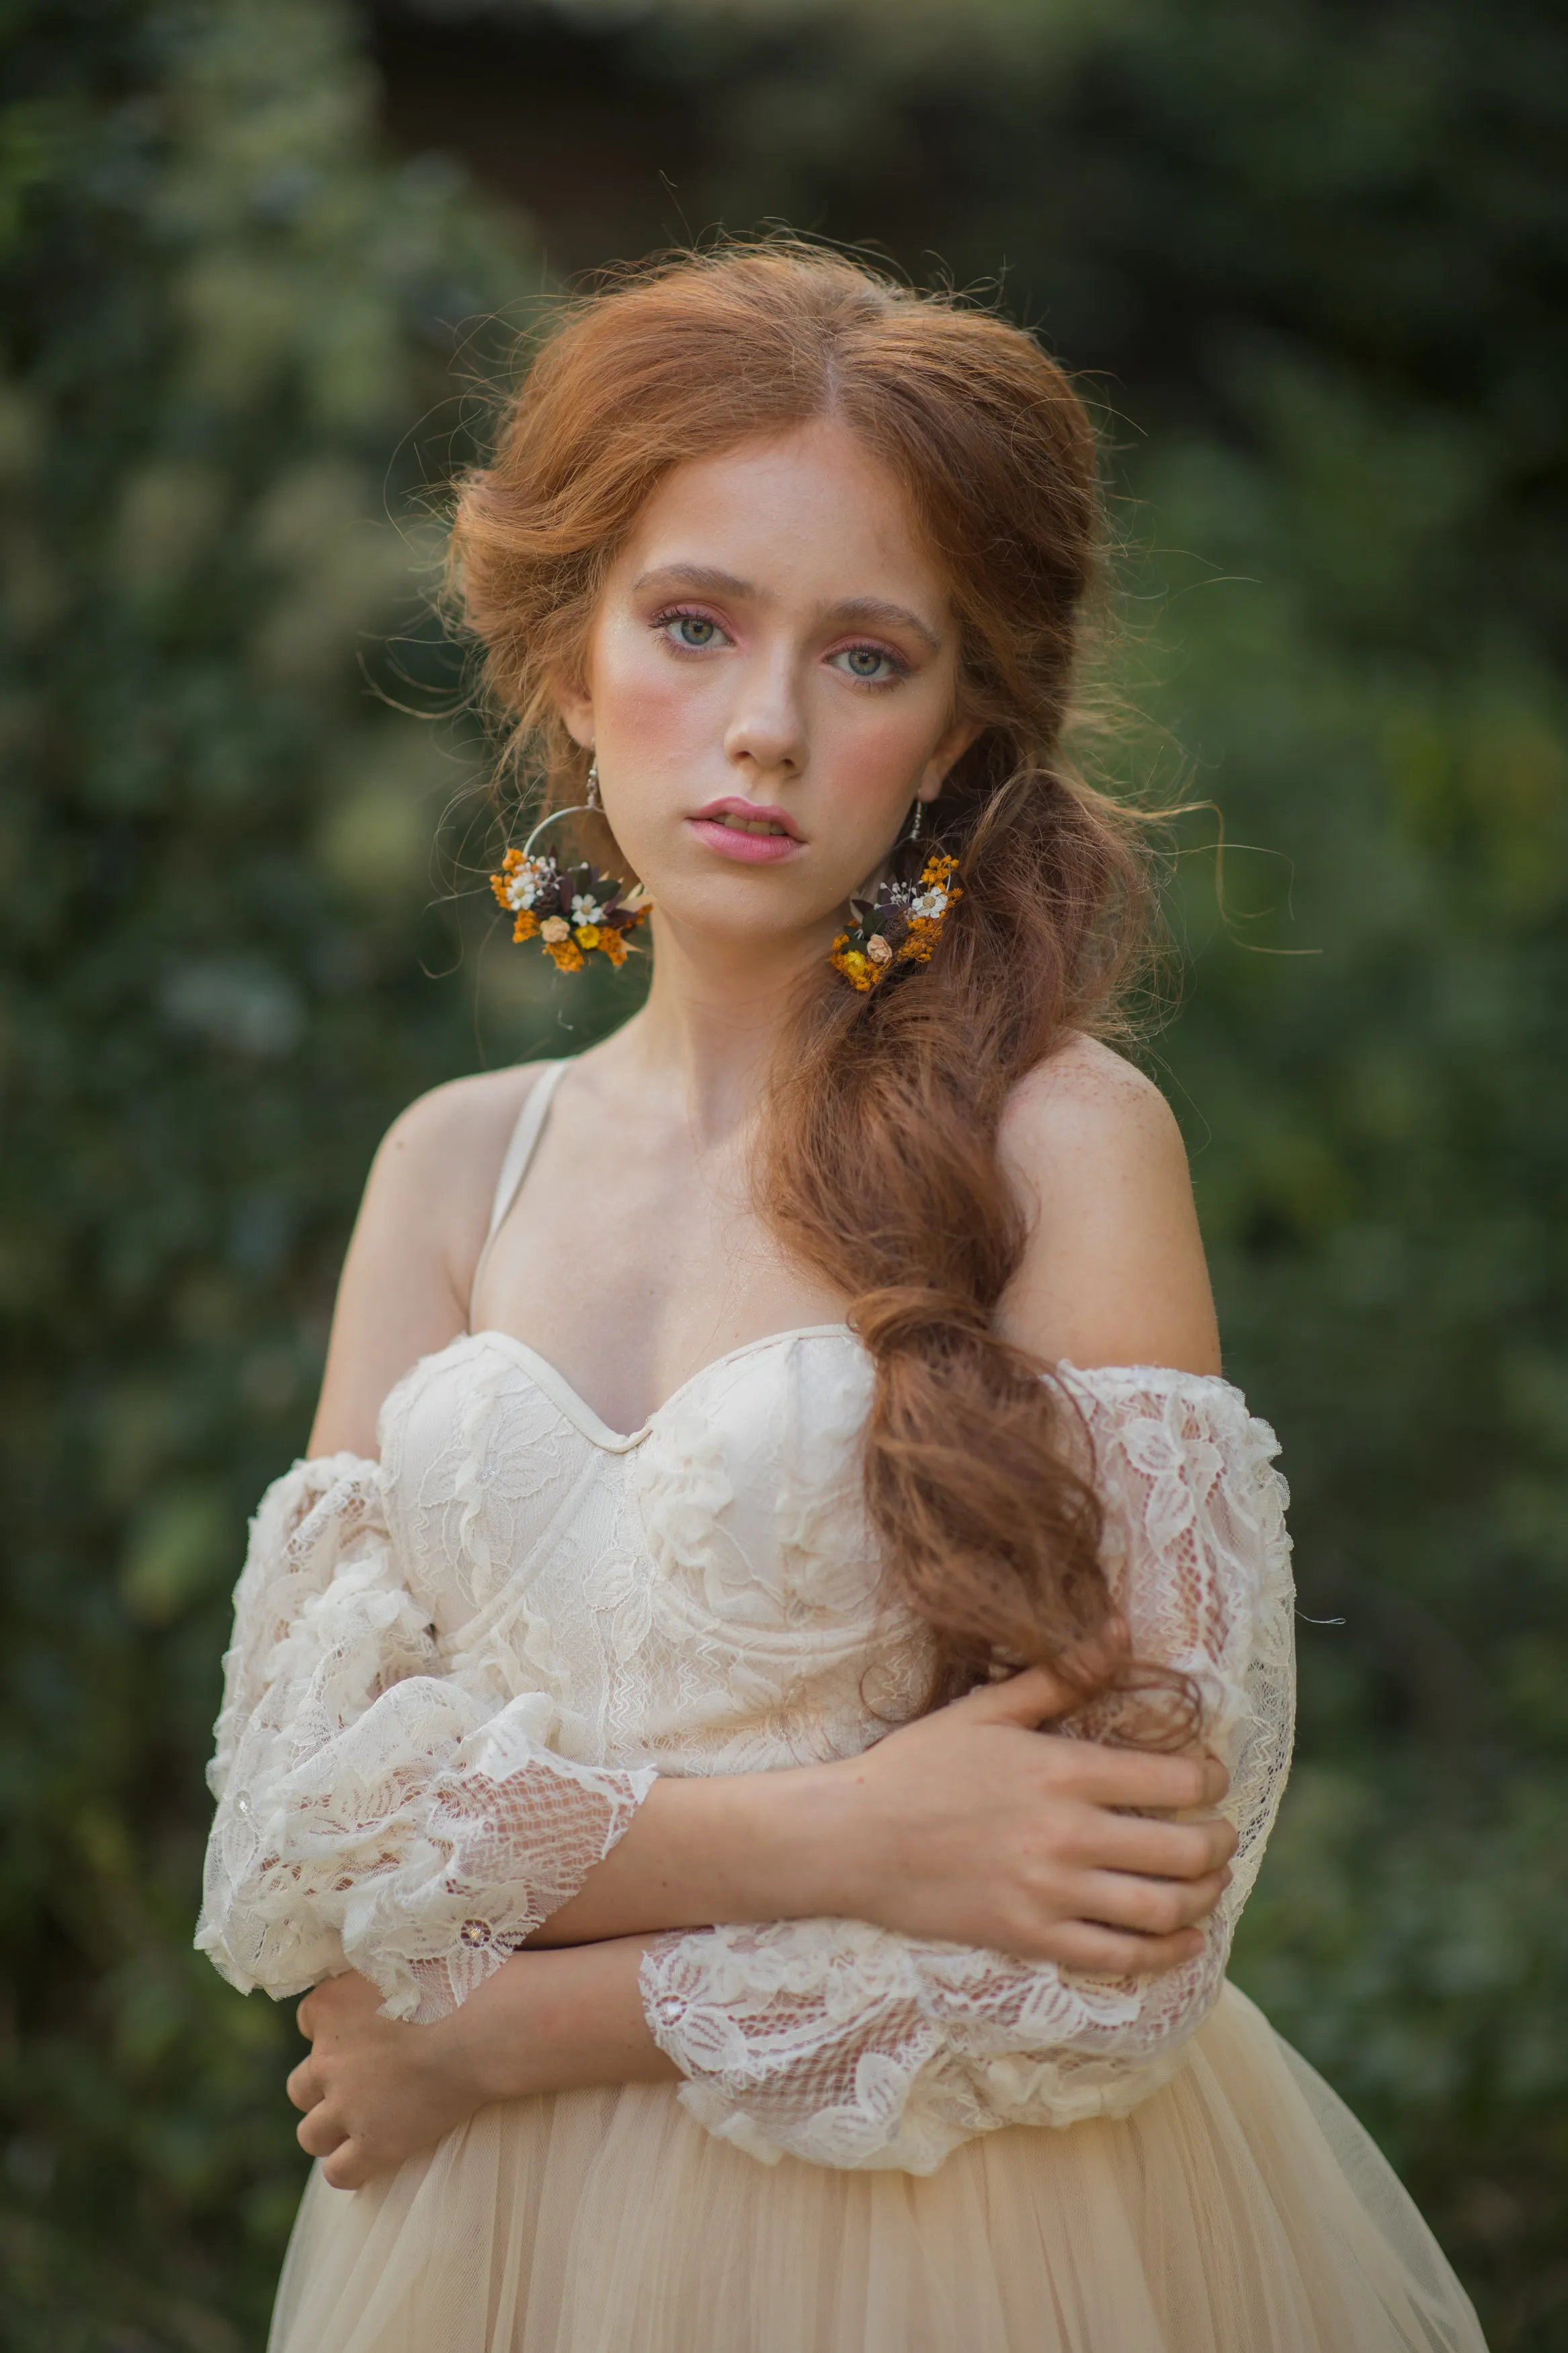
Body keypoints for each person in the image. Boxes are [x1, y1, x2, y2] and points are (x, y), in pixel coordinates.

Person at [196, 244, 1487, 2353]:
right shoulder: (449, 1164)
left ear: (962, 722)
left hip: (958, 2239)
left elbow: (1124, 1944)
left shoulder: (1062, 1144)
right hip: (475, 2271)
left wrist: (499, 2033)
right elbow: (298, 1843)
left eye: (866, 655)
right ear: (565, 643)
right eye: (692, 625)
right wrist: (859, 1835)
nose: (765, 729)